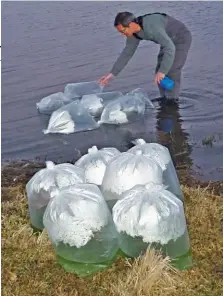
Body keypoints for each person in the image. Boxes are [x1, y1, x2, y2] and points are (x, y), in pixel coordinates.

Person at [98, 11, 192, 100]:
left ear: (131, 24)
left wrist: (163, 71)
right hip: (168, 41)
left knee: (171, 70)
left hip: (181, 38)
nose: (123, 34)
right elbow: (127, 53)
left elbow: (170, 48)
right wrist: (112, 74)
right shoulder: (133, 34)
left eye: (123, 31)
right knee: (159, 71)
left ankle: (172, 102)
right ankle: (165, 98)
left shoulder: (151, 27)